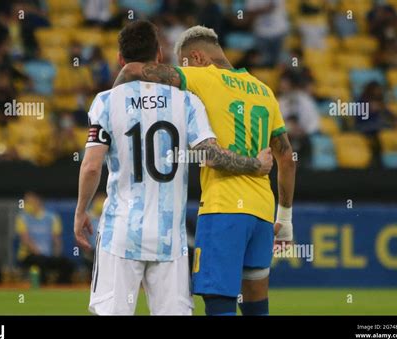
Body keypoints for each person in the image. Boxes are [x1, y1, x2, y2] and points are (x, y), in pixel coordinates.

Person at [74, 20, 273, 316]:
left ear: (120, 59)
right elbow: (211, 155)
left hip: (120, 232)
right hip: (170, 238)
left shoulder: (105, 101)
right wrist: (255, 164)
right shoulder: (187, 101)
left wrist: (80, 211)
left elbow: (91, 167)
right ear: (159, 56)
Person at [115, 25, 296, 315]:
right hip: (263, 211)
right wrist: (285, 219)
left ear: (197, 57)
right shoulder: (264, 90)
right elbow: (286, 158)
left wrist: (112, 107)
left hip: (223, 207)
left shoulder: (201, 77)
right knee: (256, 303)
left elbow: (135, 69)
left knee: (218, 301)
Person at [15, 192, 74, 284]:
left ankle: (61, 288)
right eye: (26, 201)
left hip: (48, 255)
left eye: (30, 201)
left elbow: (57, 240)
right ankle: (43, 287)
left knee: (66, 264)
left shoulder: (52, 217)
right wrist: (39, 253)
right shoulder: (22, 218)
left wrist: (56, 255)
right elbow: (25, 239)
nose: (27, 204)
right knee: (40, 262)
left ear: (38, 201)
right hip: (28, 256)